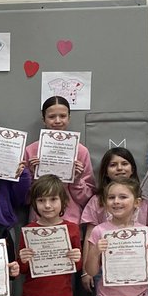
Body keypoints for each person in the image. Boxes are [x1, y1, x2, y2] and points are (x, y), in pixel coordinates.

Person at [22, 96, 94, 224]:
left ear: (69, 118)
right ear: (44, 119)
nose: (57, 121)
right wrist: (33, 176)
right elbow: (24, 198)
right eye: (51, 117)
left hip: (71, 221)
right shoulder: (30, 151)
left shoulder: (81, 151)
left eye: (62, 116)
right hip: (39, 220)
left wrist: (76, 180)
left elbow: (87, 198)